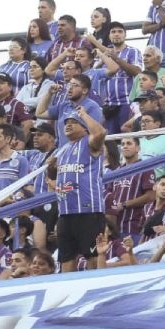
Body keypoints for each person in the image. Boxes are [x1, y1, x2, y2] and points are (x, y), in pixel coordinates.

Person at [53, 107, 107, 272]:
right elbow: (55, 176)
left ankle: (92, 290)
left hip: (88, 210)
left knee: (92, 255)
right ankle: (66, 292)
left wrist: (83, 114)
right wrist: (50, 167)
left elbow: (100, 133)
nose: (68, 125)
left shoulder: (90, 143)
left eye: (73, 122)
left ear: (85, 127)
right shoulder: (62, 150)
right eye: (66, 123)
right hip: (65, 212)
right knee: (66, 258)